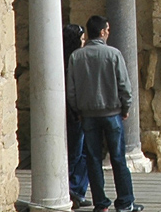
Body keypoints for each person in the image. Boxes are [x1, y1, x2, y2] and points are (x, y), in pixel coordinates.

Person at [68, 16, 142, 212]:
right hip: (111, 114)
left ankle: (100, 203)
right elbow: (124, 86)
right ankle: (125, 202)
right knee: (118, 158)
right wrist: (125, 108)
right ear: (102, 32)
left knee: (93, 159)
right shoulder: (114, 54)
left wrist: (77, 110)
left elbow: (72, 89)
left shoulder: (76, 57)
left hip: (88, 115)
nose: (109, 33)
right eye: (107, 30)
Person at [64, 23, 95, 209]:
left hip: (80, 112)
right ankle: (69, 190)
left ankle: (77, 190)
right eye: (81, 40)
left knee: (85, 152)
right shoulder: (69, 60)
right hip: (73, 114)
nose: (84, 43)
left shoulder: (78, 58)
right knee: (75, 153)